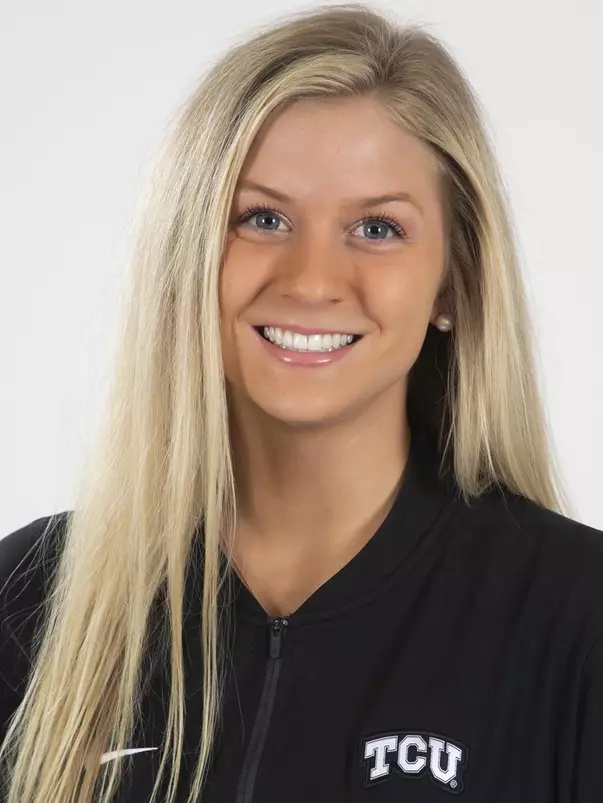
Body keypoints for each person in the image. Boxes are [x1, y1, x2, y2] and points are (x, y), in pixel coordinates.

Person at [1, 4, 602, 802]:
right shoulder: (30, 603)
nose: (312, 279)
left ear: (451, 281)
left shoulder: (575, 617)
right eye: (263, 217)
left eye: (378, 228)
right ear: (187, 254)